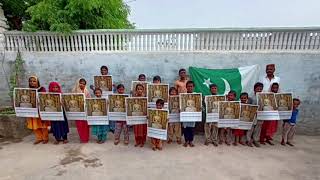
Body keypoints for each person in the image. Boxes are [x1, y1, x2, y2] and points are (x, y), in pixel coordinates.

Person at [26, 76, 50, 145]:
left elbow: (45, 98)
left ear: (37, 82)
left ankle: (45, 138)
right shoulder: (28, 90)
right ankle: (39, 138)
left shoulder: (42, 89)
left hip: (40, 110)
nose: (32, 82)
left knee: (43, 125)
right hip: (32, 110)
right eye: (30, 81)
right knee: (35, 125)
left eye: (34, 81)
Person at [72, 78, 91, 143]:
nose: (82, 85)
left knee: (85, 125)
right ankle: (82, 138)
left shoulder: (87, 91)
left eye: (83, 84)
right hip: (77, 111)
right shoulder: (74, 91)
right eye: (81, 83)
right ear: (78, 83)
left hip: (85, 110)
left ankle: (86, 138)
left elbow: (89, 100)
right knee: (79, 125)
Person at [246, 82, 264, 147]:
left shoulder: (263, 98)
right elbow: (248, 106)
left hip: (260, 115)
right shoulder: (251, 97)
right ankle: (248, 140)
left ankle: (255, 140)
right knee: (250, 128)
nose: (259, 90)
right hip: (252, 115)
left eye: (260, 89)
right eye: (258, 89)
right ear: (254, 89)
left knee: (258, 128)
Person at [183, 81, 197, 147]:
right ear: (186, 87)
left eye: (191, 86)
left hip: (193, 115)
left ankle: (191, 141)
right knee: (185, 129)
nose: (190, 87)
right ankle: (186, 141)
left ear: (193, 87)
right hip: (185, 115)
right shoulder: (183, 96)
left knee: (191, 129)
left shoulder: (196, 95)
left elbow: (197, 104)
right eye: (188, 86)